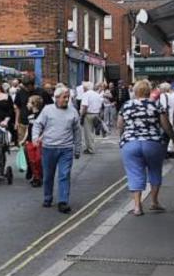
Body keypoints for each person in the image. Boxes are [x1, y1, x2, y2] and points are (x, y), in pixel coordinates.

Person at [118, 79, 174, 216]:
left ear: (135, 91)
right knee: (155, 171)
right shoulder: (156, 105)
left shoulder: (126, 105)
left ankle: (137, 206)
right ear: (149, 91)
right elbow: (166, 125)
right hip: (153, 143)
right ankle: (154, 202)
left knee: (134, 173)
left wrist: (123, 138)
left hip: (130, 143)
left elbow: (120, 125)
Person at [33, 86, 83, 214]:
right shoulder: (47, 110)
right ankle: (47, 197)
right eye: (64, 97)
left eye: (68, 97)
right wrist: (35, 137)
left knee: (64, 175)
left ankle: (63, 201)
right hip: (49, 148)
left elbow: (77, 132)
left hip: (66, 149)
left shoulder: (73, 112)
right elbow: (38, 124)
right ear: (56, 98)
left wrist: (77, 149)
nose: (67, 99)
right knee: (48, 176)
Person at [78, 82, 105, 154]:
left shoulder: (86, 94)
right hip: (96, 114)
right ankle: (90, 147)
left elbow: (85, 106)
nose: (83, 89)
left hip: (88, 114)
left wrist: (82, 115)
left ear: (86, 88)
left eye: (83, 88)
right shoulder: (96, 94)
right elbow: (100, 105)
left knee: (88, 133)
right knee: (91, 132)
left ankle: (90, 149)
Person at [10, 79, 31, 144]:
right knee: (22, 142)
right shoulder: (20, 92)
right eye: (24, 86)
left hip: (36, 121)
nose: (25, 88)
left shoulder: (40, 91)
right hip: (23, 121)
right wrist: (16, 122)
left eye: (27, 86)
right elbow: (17, 108)